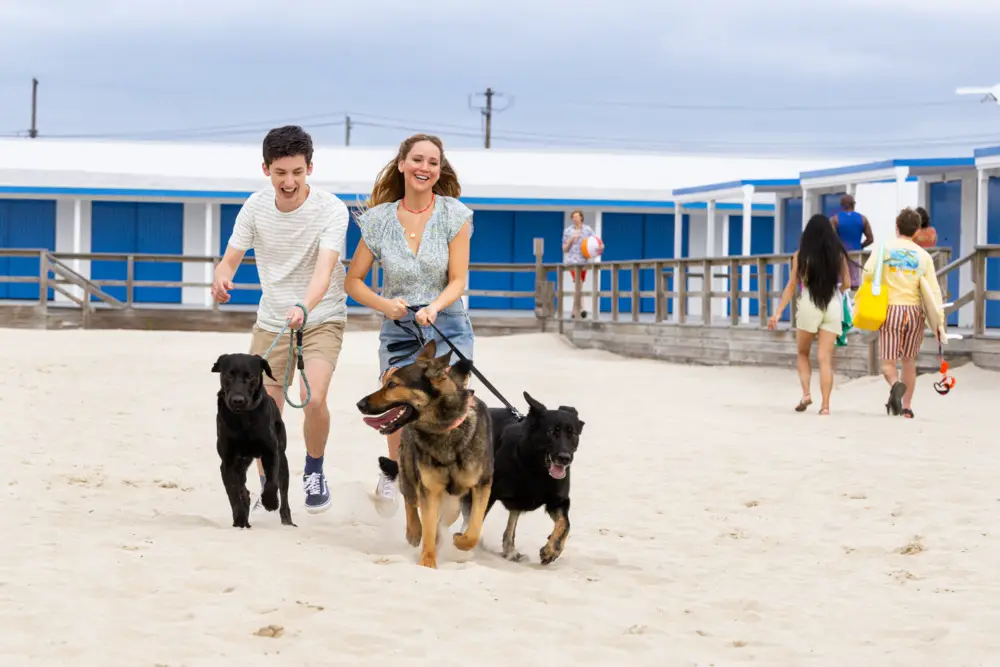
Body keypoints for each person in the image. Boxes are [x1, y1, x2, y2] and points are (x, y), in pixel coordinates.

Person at [211, 125, 350, 514]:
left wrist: (304, 306)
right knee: (262, 412)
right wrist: (222, 278)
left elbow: (324, 270)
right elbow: (230, 260)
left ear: (310, 168)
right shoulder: (254, 207)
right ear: (266, 169)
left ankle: (314, 469)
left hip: (320, 318)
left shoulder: (331, 210)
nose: (288, 182)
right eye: (280, 173)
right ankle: (267, 483)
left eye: (297, 173)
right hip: (272, 322)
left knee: (313, 397)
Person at [345, 133, 475, 517]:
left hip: (446, 324)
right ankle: (404, 487)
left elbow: (458, 280)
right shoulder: (379, 220)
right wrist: (387, 305)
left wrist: (434, 306)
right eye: (417, 160)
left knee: (447, 412)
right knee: (400, 408)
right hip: (400, 329)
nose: (425, 168)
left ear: (440, 170)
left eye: (433, 162)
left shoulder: (455, 214)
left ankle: (451, 491)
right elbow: (353, 282)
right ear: (401, 163)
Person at [862, 207, 944, 419]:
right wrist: (939, 323)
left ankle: (895, 385)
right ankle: (906, 407)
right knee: (909, 360)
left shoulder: (884, 248)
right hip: (914, 311)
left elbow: (869, 273)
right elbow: (934, 290)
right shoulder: (924, 256)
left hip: (891, 310)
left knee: (888, 362)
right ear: (917, 231)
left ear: (896, 227)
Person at [768, 213, 852, 415]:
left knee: (803, 353)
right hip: (832, 305)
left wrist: (778, 312)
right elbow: (848, 284)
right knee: (825, 358)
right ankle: (825, 406)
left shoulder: (800, 255)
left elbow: (791, 285)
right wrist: (835, 292)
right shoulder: (838, 255)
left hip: (808, 303)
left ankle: (806, 394)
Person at [830, 194, 874, 289]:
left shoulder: (835, 219)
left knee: (841, 287)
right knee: (856, 287)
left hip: (840, 258)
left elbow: (831, 239)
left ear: (841, 205)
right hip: (857, 258)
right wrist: (860, 246)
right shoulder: (862, 219)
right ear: (853, 205)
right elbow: (870, 238)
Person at [561, 209, 598, 318]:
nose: (575, 219)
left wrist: (600, 247)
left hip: (584, 261)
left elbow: (596, 242)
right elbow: (564, 249)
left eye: (577, 216)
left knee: (578, 286)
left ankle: (573, 311)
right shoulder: (568, 231)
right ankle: (583, 308)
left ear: (581, 217)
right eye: (573, 217)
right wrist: (571, 240)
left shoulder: (587, 230)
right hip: (572, 261)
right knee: (578, 282)